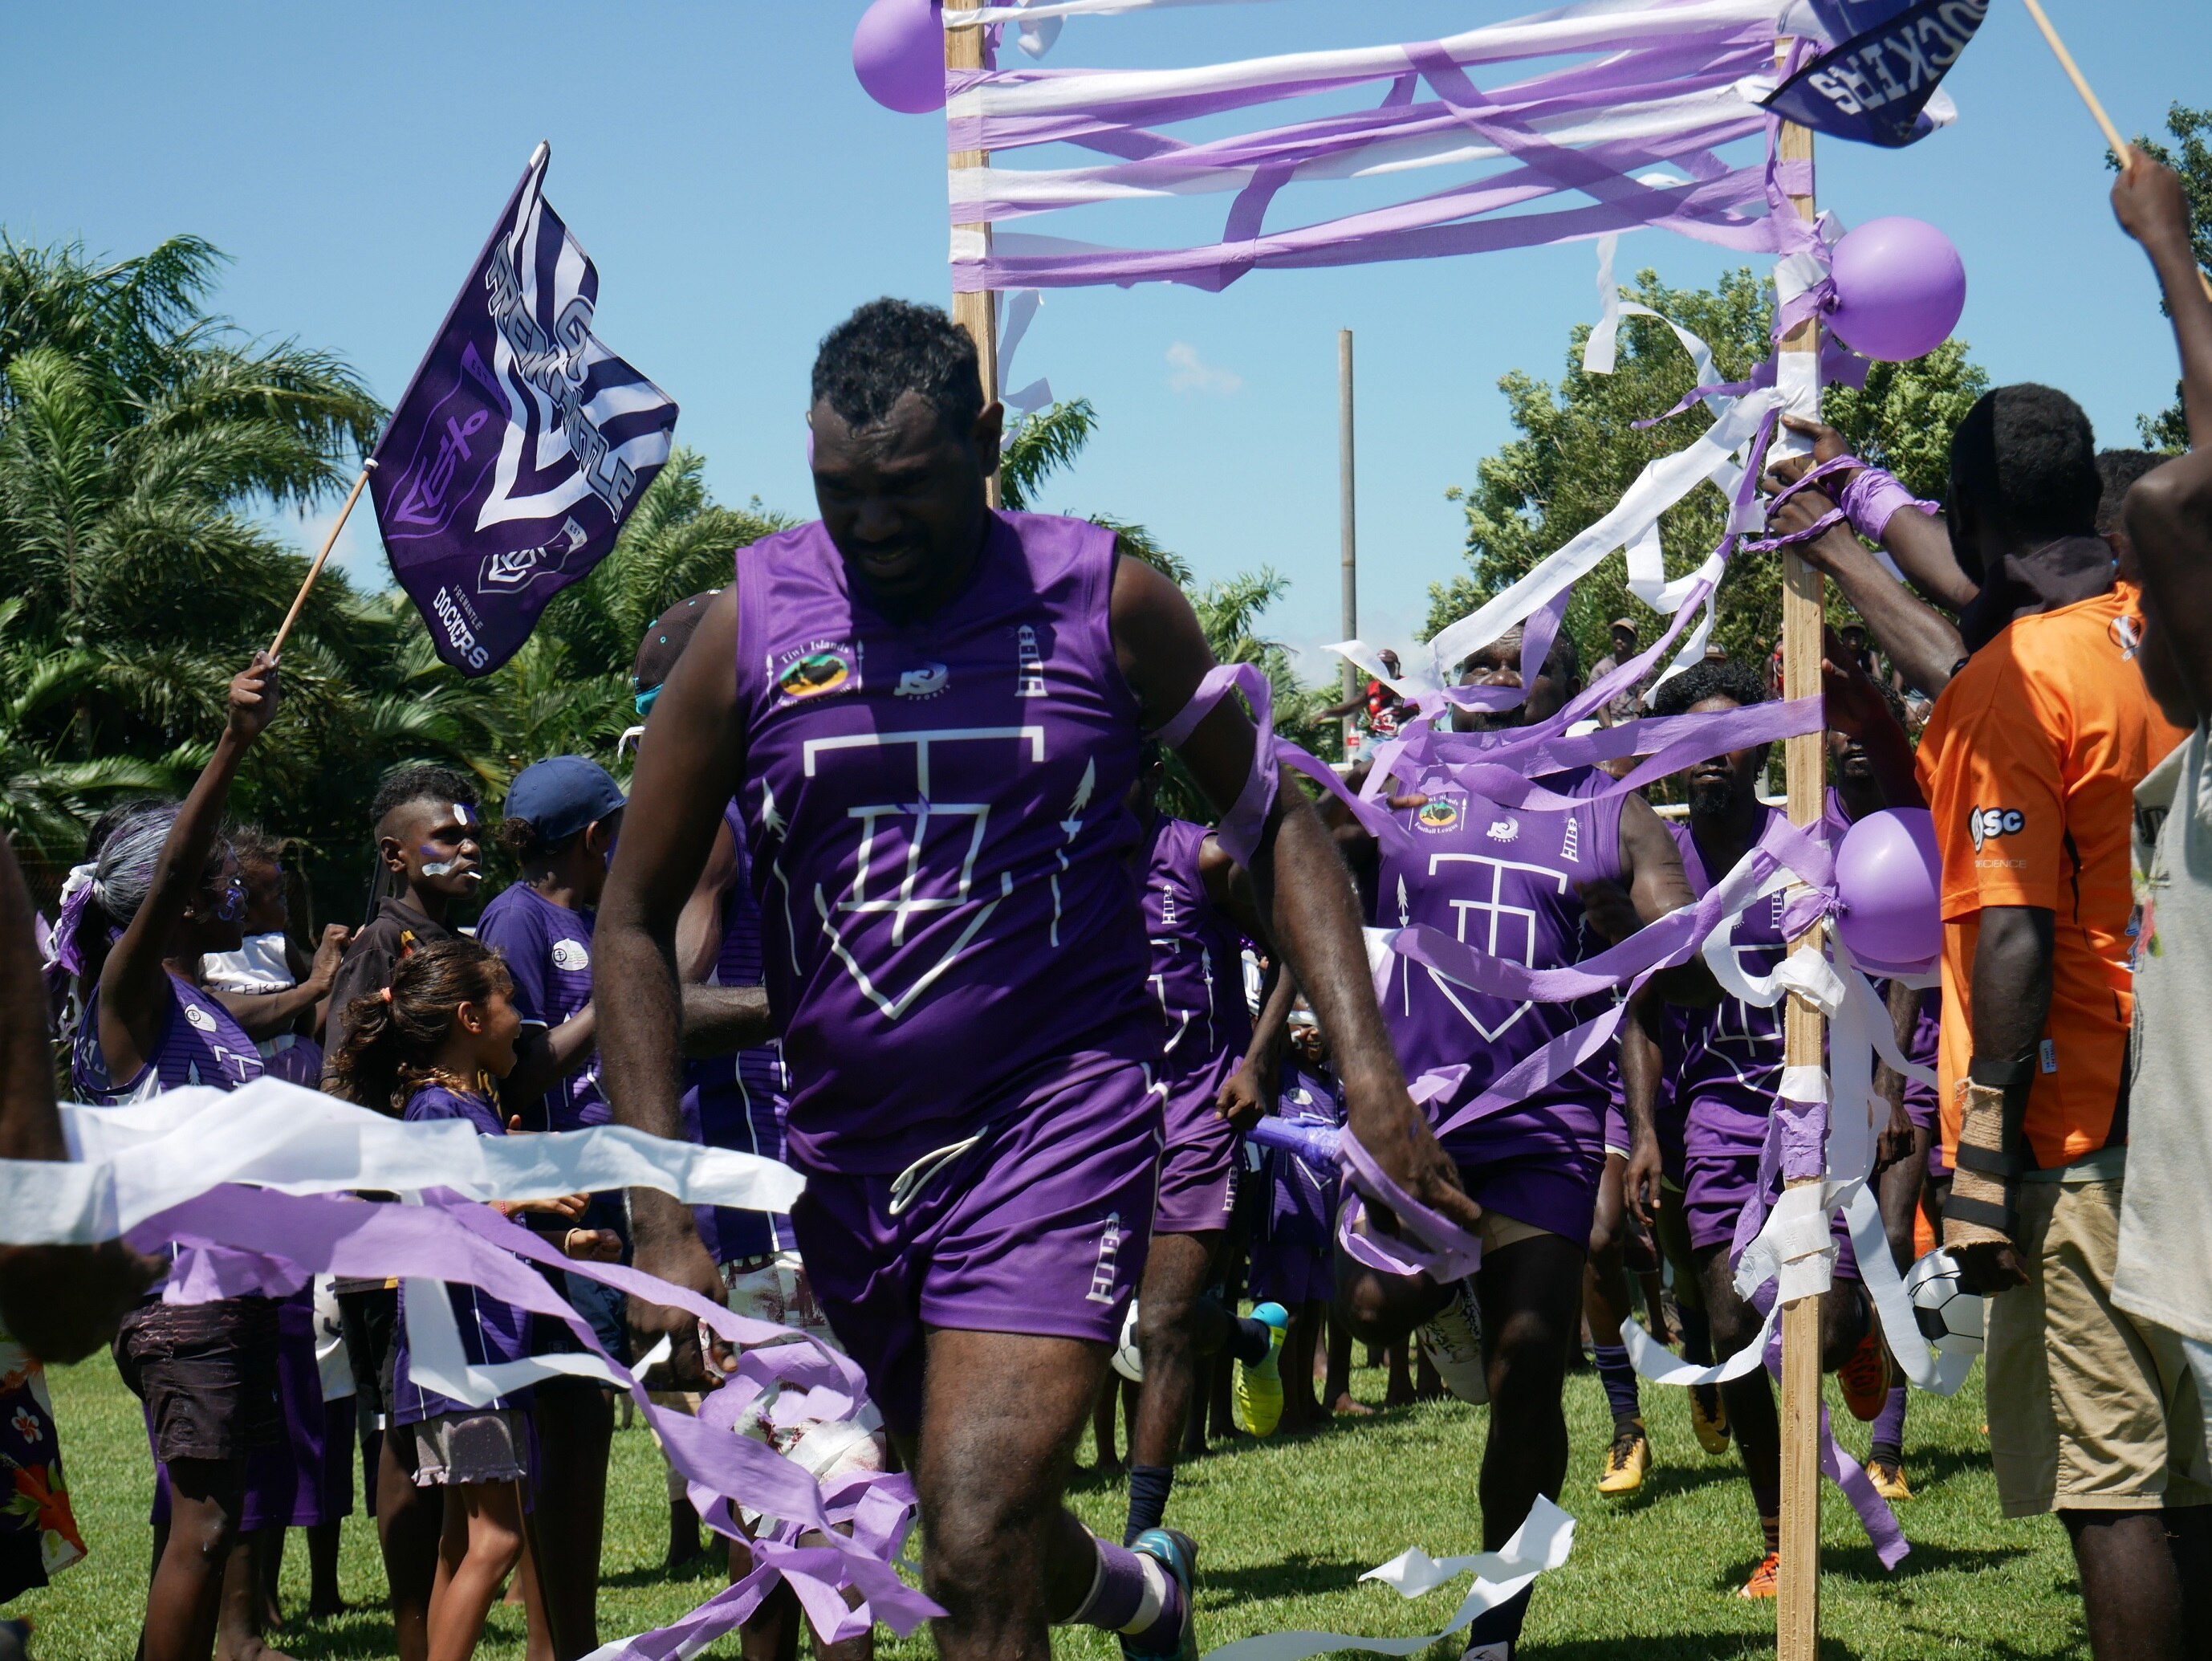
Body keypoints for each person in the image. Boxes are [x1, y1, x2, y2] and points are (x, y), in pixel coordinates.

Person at [596, 297, 1471, 1661]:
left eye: (908, 488)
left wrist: (1367, 1073)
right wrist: (660, 1216)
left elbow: (1276, 817)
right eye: (841, 493)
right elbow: (634, 917)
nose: (872, 523)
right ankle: (1136, 1590)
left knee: (974, 1519)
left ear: (988, 443)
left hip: (1053, 1123)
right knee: (969, 1516)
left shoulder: (1102, 594)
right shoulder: (751, 621)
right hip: (849, 1157)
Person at [1329, 625, 1705, 1656]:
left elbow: (1678, 949)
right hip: (1418, 1116)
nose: (1497, 680)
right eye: (1481, 663)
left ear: (1569, 690)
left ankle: (1496, 1622)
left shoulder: (1609, 813)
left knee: (1532, 1359)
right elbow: (1302, 876)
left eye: (1517, 663)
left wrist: (1633, 921)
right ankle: (1444, 1294)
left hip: (1542, 1118)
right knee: (1367, 1315)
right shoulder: (1402, 785)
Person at [1634, 658, 1893, 1600]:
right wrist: (1641, 1130)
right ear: (1673, 760)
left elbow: (1881, 940)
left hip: (1808, 1096)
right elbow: (1641, 1001)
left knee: (1815, 1326)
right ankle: (1781, 1532)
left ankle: (1857, 1329)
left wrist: (1885, 1089)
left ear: (1753, 749)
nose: (1711, 761)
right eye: (1692, 743)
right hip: (1711, 1109)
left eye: (1727, 739)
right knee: (1729, 1321)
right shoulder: (1658, 862)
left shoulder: (1806, 836)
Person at [63, 655, 287, 1661]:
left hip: (228, 1296)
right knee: (201, 1526)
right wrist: (233, 741)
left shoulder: (200, 1005)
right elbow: (172, 864)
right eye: (216, 874)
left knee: (208, 1521)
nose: (235, 881)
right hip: (181, 1305)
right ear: (172, 898)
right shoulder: (130, 995)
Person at [327, 938, 619, 1661]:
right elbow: (440, 1217)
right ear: (470, 1018)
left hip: (467, 1353)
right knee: (499, 1538)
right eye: (510, 1003)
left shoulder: (462, 1108)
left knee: (461, 1542)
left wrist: (565, 1245)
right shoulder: (437, 1111)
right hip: (468, 1359)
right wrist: (520, 1196)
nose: (521, 1020)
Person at [477, 755, 628, 1658]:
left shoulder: (599, 915)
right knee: (558, 1436)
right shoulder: (518, 916)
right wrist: (619, 987)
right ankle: (555, 1641)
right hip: (545, 1208)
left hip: (604, 1190)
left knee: (586, 1431)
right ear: (596, 835)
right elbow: (519, 1069)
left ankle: (572, 1634)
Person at [1122, 749, 1288, 1546]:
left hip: (1198, 1117)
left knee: (1162, 1323)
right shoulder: (1055, 869)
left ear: (1149, 771)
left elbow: (1293, 944)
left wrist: (1255, 1061)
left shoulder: (1200, 858)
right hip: (1097, 1132)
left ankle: (1141, 1540)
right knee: (1123, 1319)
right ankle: (1253, 1335)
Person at [1824, 674, 1942, 1504]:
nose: (1855, 741)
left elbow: (1904, 956)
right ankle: (1855, 1327)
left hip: (1908, 1056)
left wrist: (1890, 1085)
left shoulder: (1916, 811)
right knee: (1830, 1246)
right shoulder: (1805, 827)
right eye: (1836, 729)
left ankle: (1887, 1442)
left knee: (1895, 1234)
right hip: (1818, 1058)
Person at [197, 828, 348, 1089]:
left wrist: (306, 1044)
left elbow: (306, 1007)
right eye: (278, 896)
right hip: (238, 1067)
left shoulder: (279, 947)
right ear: (244, 912)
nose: (286, 904)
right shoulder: (209, 956)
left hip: (286, 1059)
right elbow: (308, 994)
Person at [1310, 649, 1405, 757]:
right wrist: (1326, 713)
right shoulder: (1372, 689)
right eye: (1379, 667)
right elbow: (1350, 707)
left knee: (1383, 766)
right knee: (1358, 763)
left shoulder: (1407, 685)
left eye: (1388, 667)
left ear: (1397, 667)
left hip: (1401, 741)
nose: (1383, 671)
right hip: (1378, 739)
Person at [1587, 617, 1645, 727]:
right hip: (1609, 724)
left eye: (1623, 638)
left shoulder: (1644, 668)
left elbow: (1644, 699)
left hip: (1637, 724)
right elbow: (1599, 703)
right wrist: (1611, 732)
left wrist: (1633, 728)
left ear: (1634, 640)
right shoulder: (1601, 670)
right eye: (1615, 638)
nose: (1618, 641)